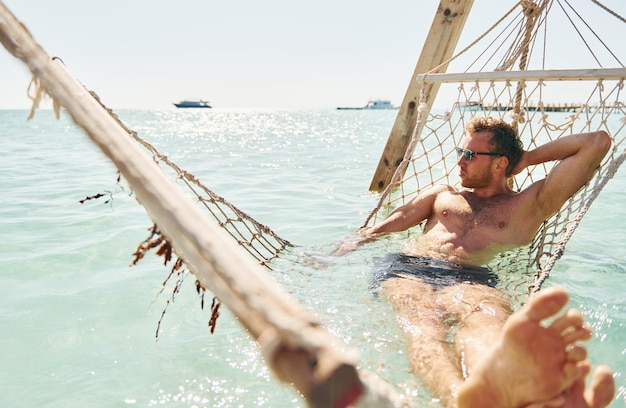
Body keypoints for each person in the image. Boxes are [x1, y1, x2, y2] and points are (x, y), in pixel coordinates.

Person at [336, 116, 612, 406]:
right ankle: (460, 400)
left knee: (488, 320)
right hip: (410, 269)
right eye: (460, 153)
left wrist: (527, 159)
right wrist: (342, 248)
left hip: (471, 278)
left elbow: (596, 142)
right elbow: (392, 222)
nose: (460, 161)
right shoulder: (444, 195)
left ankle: (495, 392)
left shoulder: (529, 205)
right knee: (426, 327)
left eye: (469, 154)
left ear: (500, 163)